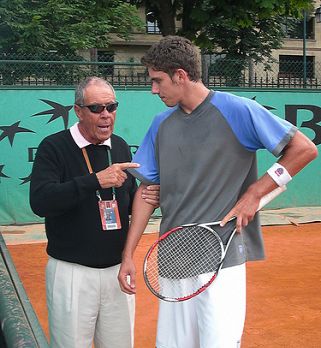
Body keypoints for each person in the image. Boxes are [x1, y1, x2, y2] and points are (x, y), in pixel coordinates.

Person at [118, 36, 318, 348]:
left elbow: (303, 149)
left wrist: (254, 192)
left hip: (221, 257)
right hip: (172, 255)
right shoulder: (160, 124)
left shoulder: (237, 110)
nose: (154, 90)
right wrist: (127, 255)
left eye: (158, 81)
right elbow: (147, 191)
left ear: (181, 76)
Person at [29, 76, 160, 348]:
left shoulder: (120, 146)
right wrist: (95, 181)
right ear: (78, 111)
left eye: (111, 107)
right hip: (72, 273)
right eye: (96, 108)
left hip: (117, 272)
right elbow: (41, 202)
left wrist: (146, 196)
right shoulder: (54, 147)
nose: (106, 115)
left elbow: (125, 200)